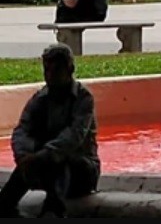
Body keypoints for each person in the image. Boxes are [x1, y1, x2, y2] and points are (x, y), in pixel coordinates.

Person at [0, 44, 100, 218]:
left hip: (80, 171)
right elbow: (22, 130)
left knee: (58, 160)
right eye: (47, 69)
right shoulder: (40, 98)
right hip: (45, 167)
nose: (50, 75)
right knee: (30, 166)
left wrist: (42, 156)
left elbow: (74, 135)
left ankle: (53, 210)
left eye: (56, 69)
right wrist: (24, 156)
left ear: (70, 69)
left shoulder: (83, 99)